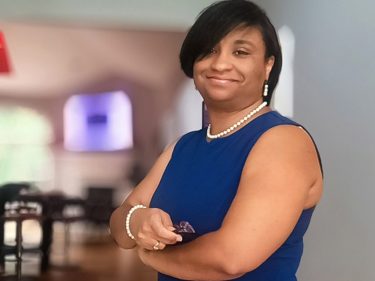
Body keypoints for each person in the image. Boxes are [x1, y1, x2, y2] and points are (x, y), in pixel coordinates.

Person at [110, 1, 323, 280]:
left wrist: (150, 255)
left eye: (240, 52)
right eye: (209, 50)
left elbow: (230, 259)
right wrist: (136, 220)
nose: (221, 64)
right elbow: (119, 223)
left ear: (268, 65)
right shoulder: (182, 147)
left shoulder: (284, 141)